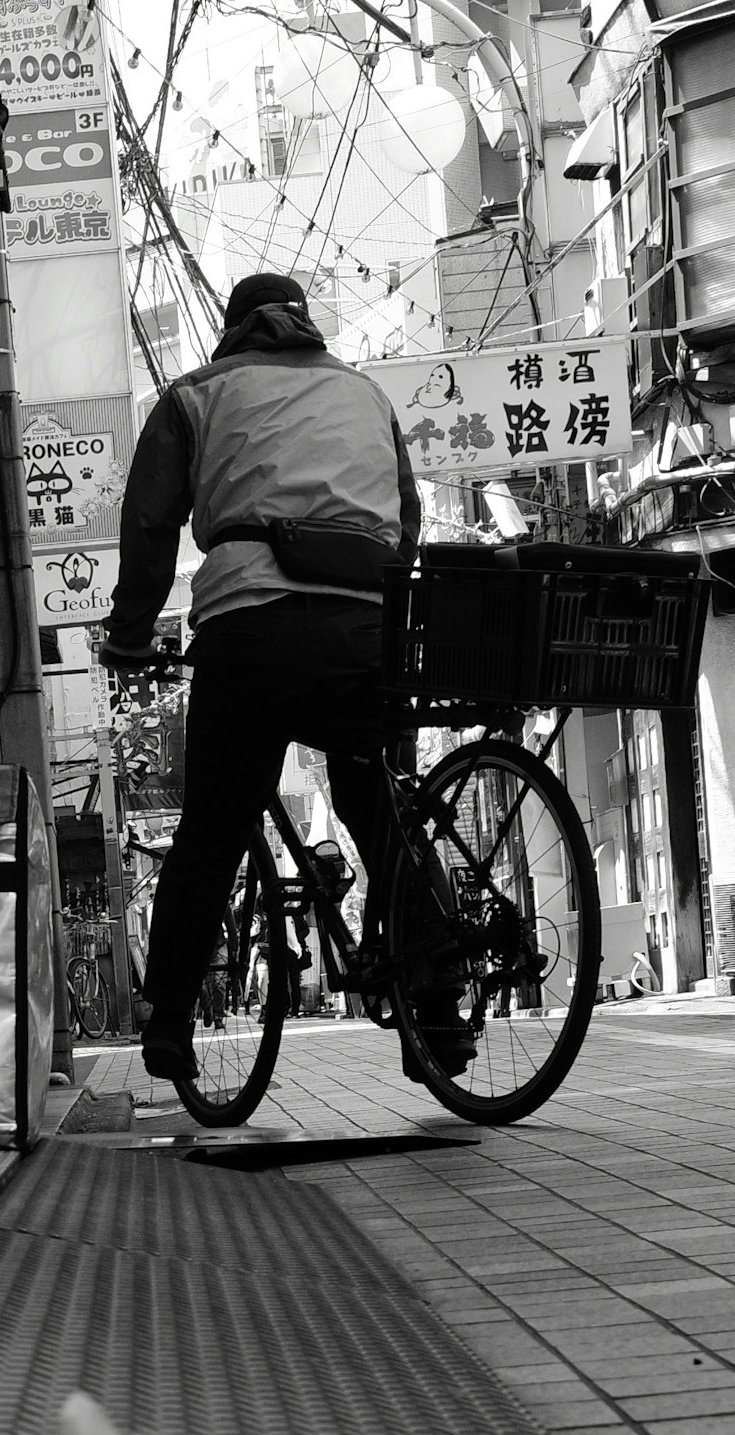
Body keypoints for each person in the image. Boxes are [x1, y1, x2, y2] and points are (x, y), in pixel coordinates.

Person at [94, 274, 465, 1085]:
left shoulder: (195, 396)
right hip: (364, 634)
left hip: (249, 632)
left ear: (235, 328)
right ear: (304, 324)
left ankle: (169, 1023)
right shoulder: (365, 394)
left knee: (216, 831)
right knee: (380, 810)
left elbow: (152, 525)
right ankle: (438, 1005)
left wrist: (128, 640)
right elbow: (406, 518)